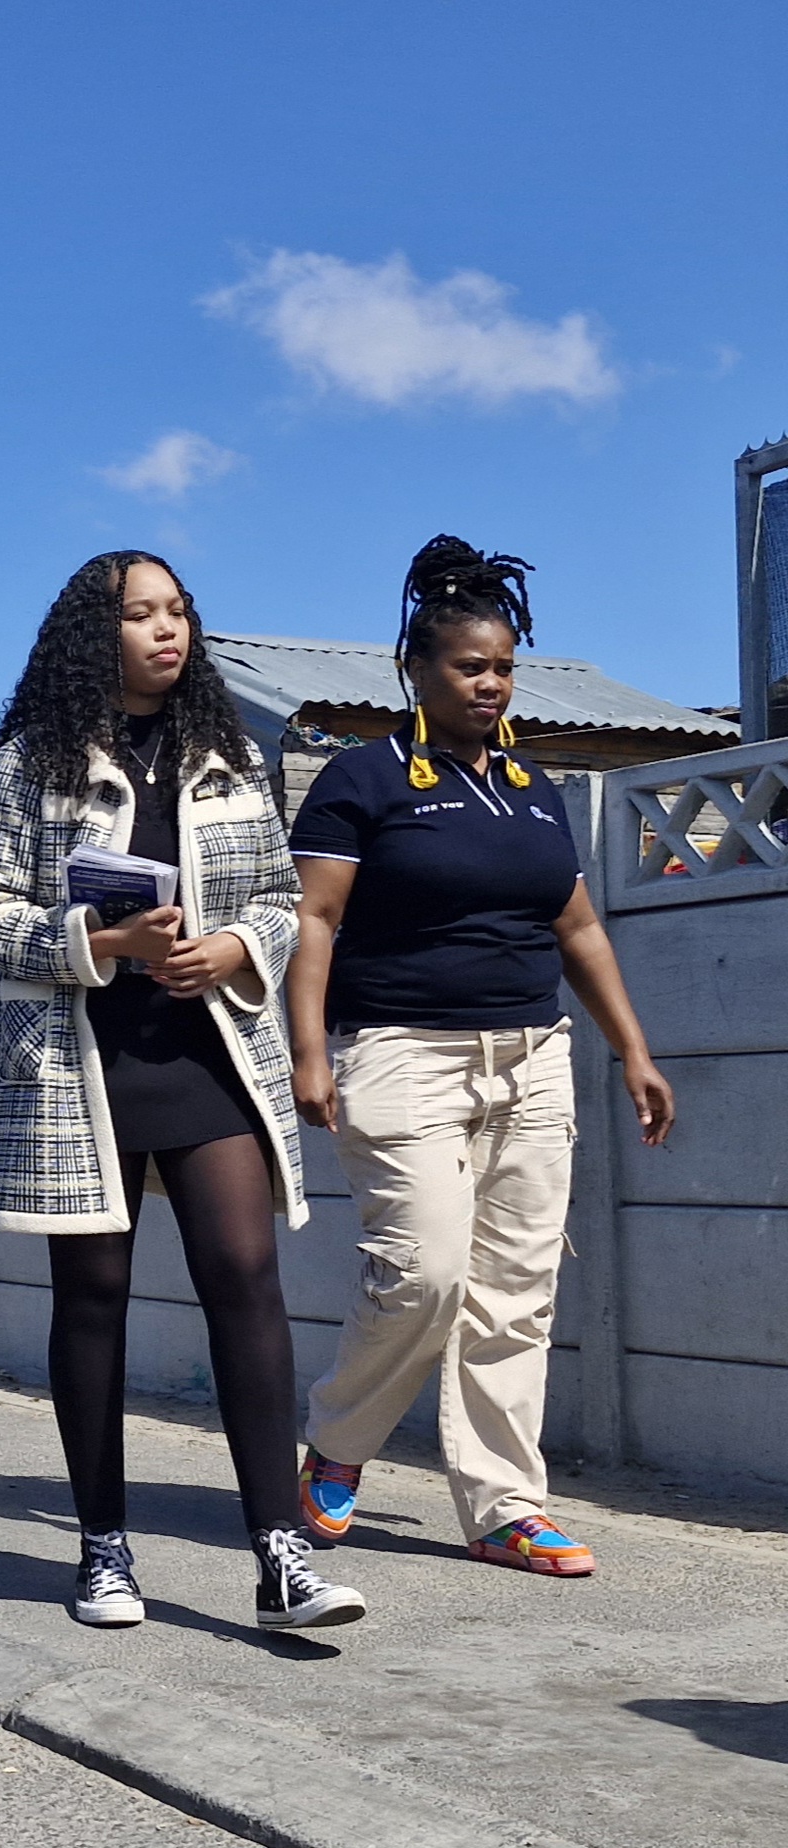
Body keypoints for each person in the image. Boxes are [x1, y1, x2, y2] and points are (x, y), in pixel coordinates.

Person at [0, 550, 367, 1632]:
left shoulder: (227, 751)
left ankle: (280, 1553)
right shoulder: (28, 762)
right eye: (140, 615)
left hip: (206, 1052)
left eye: (176, 610)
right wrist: (100, 940)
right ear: (95, 636)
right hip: (78, 1061)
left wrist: (233, 946)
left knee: (244, 1275)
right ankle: (102, 1550)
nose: (165, 630)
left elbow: (280, 898)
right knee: (90, 1301)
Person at [289, 536, 674, 1576]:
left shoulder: (530, 785)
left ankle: (503, 1505)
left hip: (531, 1059)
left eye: (501, 667)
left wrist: (630, 1051)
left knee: (514, 1289)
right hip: (399, 1055)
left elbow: (578, 929)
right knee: (422, 1273)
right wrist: (306, 1052)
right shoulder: (359, 779)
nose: (489, 684)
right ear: (416, 669)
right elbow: (313, 923)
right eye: (469, 667)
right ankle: (334, 1442)